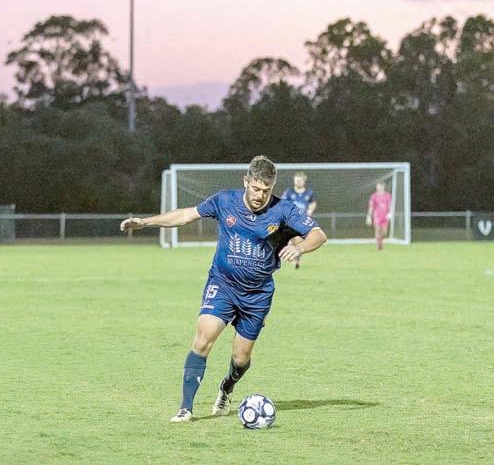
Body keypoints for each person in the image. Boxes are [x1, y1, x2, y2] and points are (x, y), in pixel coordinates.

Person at [120, 156, 327, 422]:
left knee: (241, 358)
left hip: (257, 295)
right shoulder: (224, 200)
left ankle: (227, 387)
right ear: (246, 182)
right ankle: (186, 408)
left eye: (266, 190)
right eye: (256, 188)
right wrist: (145, 223)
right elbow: (186, 215)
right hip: (223, 284)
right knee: (203, 338)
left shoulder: (284, 210)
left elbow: (318, 234)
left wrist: (300, 248)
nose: (260, 196)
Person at [280, 172, 317, 269]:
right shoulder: (289, 192)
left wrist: (310, 211)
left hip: (302, 221)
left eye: (300, 180)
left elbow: (313, 203)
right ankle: (293, 259)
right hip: (289, 220)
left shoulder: (309, 193)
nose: (298, 182)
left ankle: (295, 258)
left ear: (304, 181)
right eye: (296, 180)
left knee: (298, 240)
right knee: (292, 239)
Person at [366, 181, 392, 251]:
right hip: (377, 216)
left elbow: (390, 205)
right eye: (378, 186)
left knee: (385, 232)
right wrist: (369, 216)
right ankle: (378, 246)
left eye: (380, 186)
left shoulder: (388, 195)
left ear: (383, 187)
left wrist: (390, 213)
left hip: (385, 216)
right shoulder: (374, 196)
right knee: (377, 231)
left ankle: (380, 240)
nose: (379, 188)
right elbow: (371, 207)